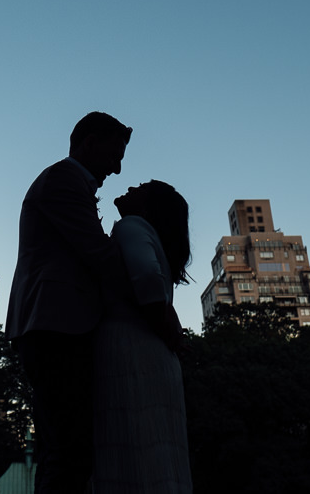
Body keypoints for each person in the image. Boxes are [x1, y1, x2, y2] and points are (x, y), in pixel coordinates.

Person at [5, 112, 133, 494]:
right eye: (115, 155)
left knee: (61, 450)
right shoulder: (62, 181)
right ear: (89, 143)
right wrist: (152, 304)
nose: (118, 168)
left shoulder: (67, 182)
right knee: (70, 452)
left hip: (55, 324)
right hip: (55, 326)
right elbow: (98, 253)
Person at [93, 180, 193, 493]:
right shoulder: (150, 238)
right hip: (153, 357)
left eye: (144, 186)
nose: (134, 185)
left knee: (129, 455)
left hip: (131, 352)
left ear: (148, 205)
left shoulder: (131, 226)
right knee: (156, 457)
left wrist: (165, 329)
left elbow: (147, 280)